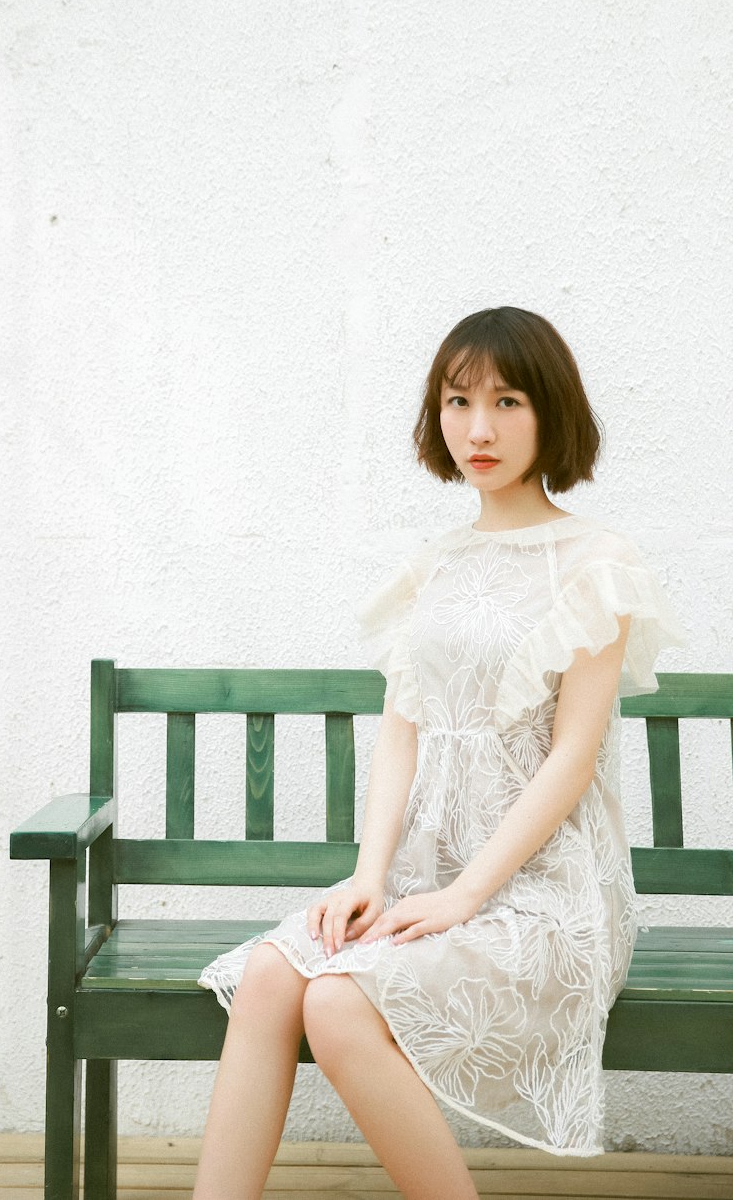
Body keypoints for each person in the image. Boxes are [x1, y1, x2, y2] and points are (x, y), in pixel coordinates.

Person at [193, 306, 686, 1200]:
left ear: (552, 414)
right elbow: (404, 730)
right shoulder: (435, 565)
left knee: (338, 1004)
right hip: (429, 874)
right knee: (273, 975)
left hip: (548, 894)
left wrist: (467, 895)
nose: (479, 428)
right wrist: (370, 874)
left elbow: (572, 757)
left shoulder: (596, 562)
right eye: (458, 402)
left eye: (507, 400)